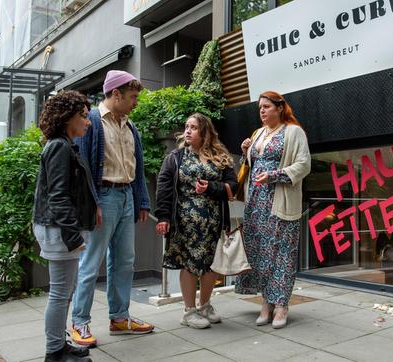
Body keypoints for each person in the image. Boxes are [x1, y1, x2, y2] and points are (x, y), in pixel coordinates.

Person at [71, 70, 154, 347]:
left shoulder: (130, 126)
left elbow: (137, 166)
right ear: (115, 94)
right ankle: (79, 322)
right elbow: (82, 169)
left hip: (126, 196)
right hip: (103, 198)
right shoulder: (92, 122)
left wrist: (141, 199)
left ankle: (119, 318)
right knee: (91, 261)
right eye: (132, 97)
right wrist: (92, 204)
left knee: (125, 261)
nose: (136, 102)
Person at [235, 91, 311, 329]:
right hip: (256, 203)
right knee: (260, 254)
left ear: (280, 108)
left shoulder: (293, 131)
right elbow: (251, 165)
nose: (262, 111)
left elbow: (304, 164)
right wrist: (246, 150)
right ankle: (266, 303)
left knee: (282, 254)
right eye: (260, 107)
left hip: (280, 201)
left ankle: (281, 306)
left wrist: (275, 175)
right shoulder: (258, 134)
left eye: (267, 106)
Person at [154, 113, 238, 329]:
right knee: (190, 264)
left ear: (205, 132)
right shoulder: (176, 157)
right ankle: (188, 311)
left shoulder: (220, 157)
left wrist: (210, 188)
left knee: (211, 264)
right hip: (185, 223)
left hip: (214, 222)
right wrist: (163, 217)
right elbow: (163, 188)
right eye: (186, 127)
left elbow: (233, 186)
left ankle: (205, 305)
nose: (188, 131)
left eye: (193, 127)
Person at [32, 91, 96, 362]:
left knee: (63, 291)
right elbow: (58, 195)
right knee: (59, 293)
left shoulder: (64, 145)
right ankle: (54, 351)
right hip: (59, 230)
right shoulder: (59, 146)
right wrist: (73, 236)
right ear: (69, 118)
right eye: (83, 116)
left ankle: (59, 344)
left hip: (60, 228)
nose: (88, 122)